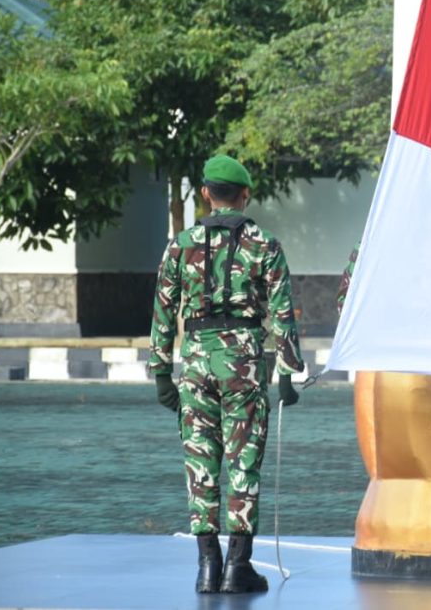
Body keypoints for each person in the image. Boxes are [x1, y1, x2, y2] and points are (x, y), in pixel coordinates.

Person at [148, 154, 305, 594]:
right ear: (245, 195)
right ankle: (238, 567)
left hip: (196, 364)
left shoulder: (180, 244)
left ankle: (206, 566)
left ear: (204, 194)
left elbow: (163, 311)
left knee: (200, 462)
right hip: (246, 366)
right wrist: (288, 376)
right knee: (243, 461)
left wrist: (162, 373)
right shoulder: (265, 244)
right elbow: (281, 316)